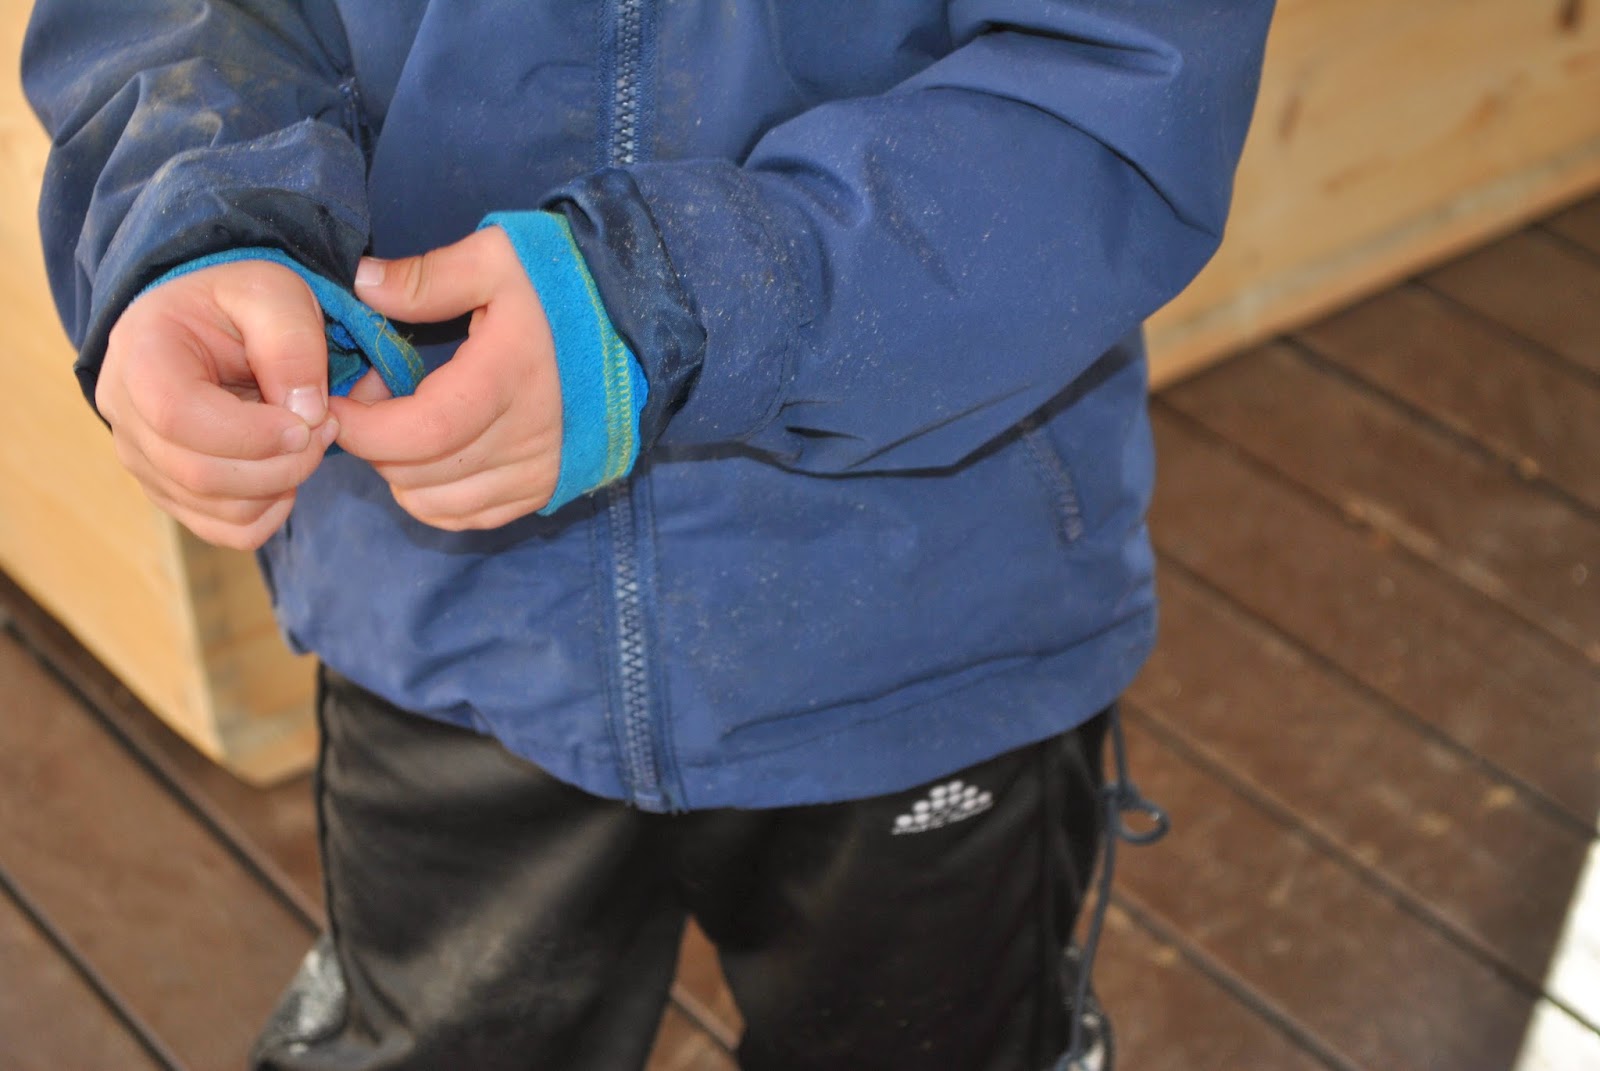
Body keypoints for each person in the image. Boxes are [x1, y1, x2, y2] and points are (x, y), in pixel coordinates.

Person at [23, 3, 1274, 1068]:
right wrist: (192, 224)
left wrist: (692, 300)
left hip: (923, 625)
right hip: (444, 628)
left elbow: (1117, 87)